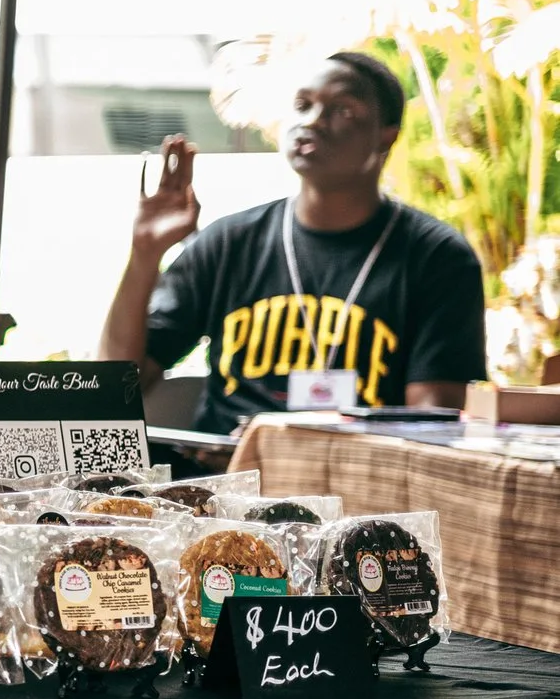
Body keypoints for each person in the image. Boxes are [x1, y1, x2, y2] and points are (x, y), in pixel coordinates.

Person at [100, 51, 484, 430]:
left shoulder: (437, 258)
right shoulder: (229, 243)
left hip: (357, 481)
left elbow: (434, 424)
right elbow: (111, 388)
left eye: (342, 111)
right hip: (223, 482)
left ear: (386, 137)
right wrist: (145, 255)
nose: (313, 121)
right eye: (303, 105)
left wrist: (292, 444)